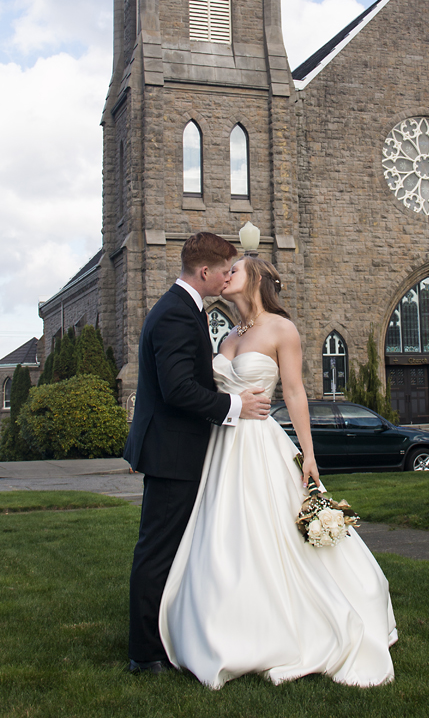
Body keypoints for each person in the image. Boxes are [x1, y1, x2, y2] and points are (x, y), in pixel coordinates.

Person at [159, 255, 397, 688]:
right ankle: (223, 623)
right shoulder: (229, 334)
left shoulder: (281, 329)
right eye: (225, 269)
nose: (227, 274)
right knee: (223, 534)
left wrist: (308, 453)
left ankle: (288, 626)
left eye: (236, 269)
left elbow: (294, 392)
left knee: (268, 530)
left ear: (258, 280)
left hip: (260, 444)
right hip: (222, 448)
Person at [124, 232, 271, 674]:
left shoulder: (184, 308)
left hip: (178, 449)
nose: (229, 277)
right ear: (204, 272)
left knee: (173, 548)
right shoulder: (174, 314)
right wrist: (235, 405)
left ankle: (165, 636)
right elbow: (177, 389)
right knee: (158, 550)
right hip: (171, 452)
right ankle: (146, 653)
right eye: (226, 270)